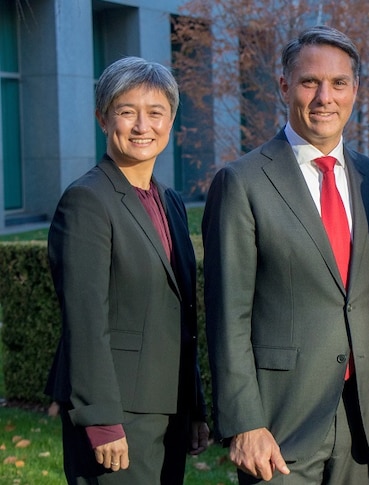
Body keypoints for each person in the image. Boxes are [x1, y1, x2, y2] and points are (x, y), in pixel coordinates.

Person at [203, 25, 369, 484]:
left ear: (355, 91)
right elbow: (228, 316)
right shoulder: (242, 182)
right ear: (285, 86)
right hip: (278, 421)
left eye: (339, 83)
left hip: (363, 421)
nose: (324, 96)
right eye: (310, 82)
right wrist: (245, 421)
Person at [45, 56, 209, 484]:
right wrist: (102, 421)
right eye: (127, 111)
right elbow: (85, 319)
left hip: (166, 410)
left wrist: (193, 407)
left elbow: (181, 314)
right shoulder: (87, 201)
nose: (142, 126)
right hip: (116, 417)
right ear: (103, 118)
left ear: (170, 120)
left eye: (155, 112)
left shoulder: (169, 201)